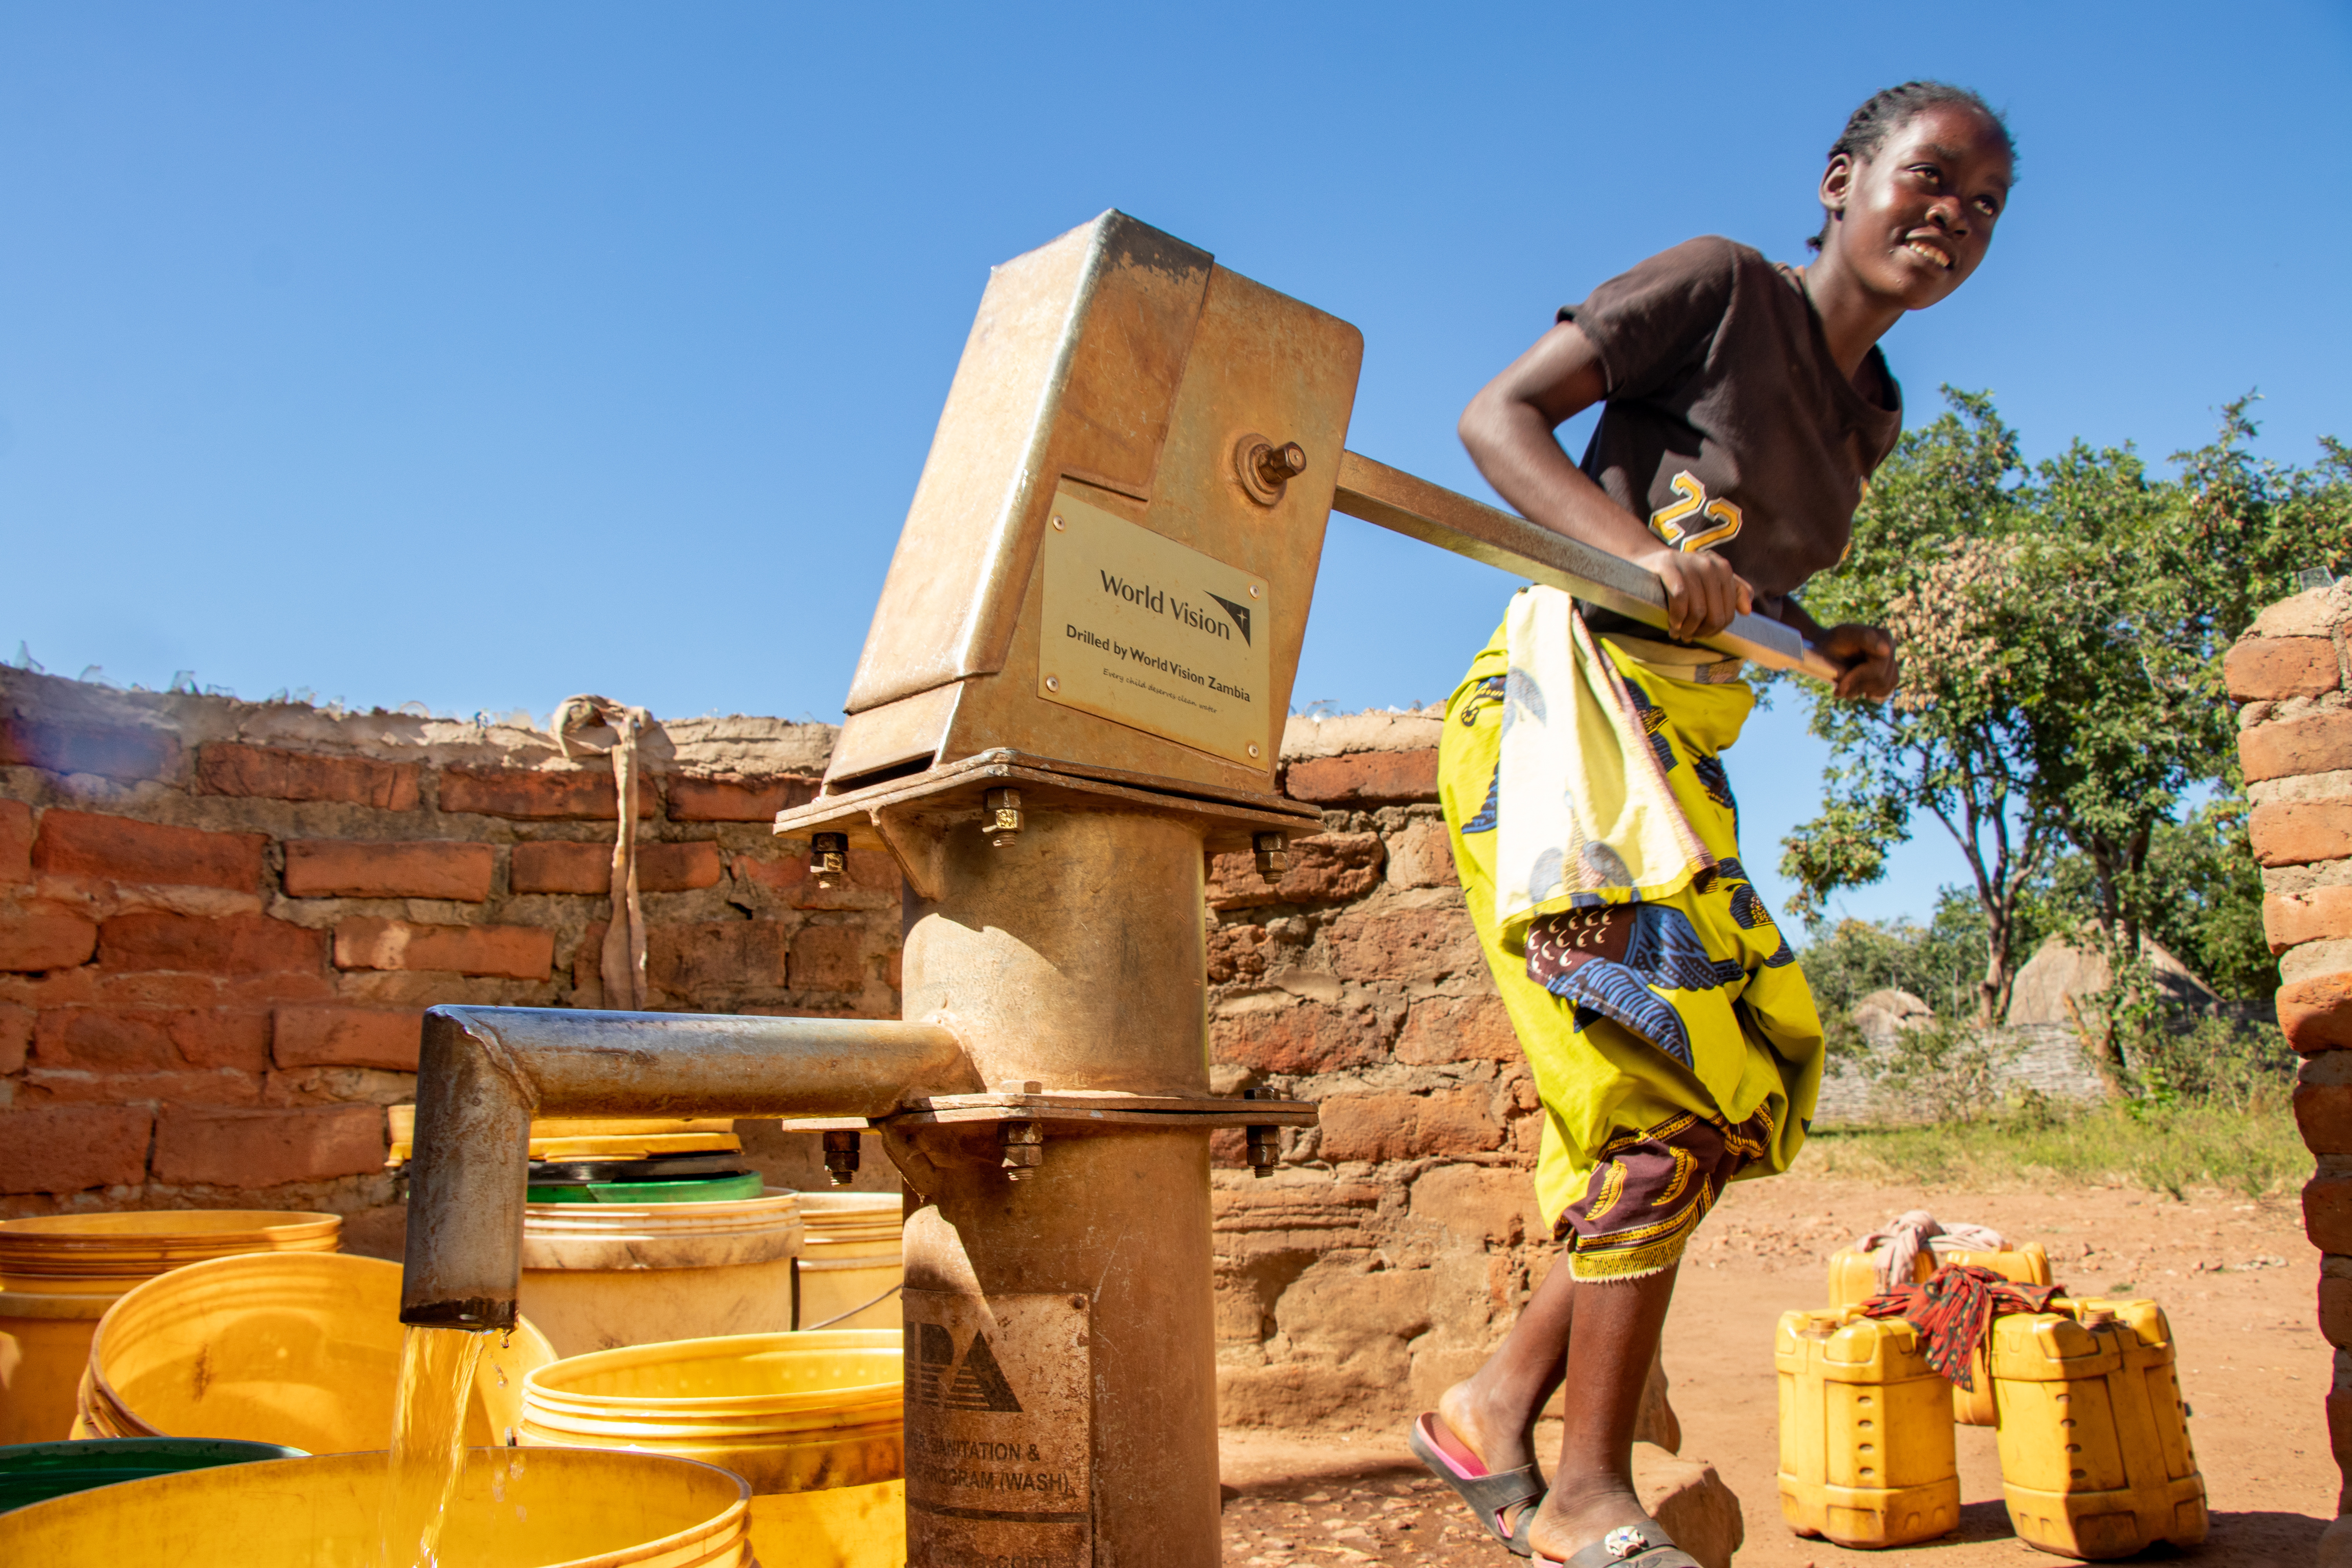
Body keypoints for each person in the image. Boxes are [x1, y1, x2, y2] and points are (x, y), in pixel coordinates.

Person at [1408, 83, 2016, 1568]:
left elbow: (1739, 584)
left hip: (1676, 754)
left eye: (1987, 207)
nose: (1955, 217)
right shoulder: (1719, 285)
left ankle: (1494, 1407)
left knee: (1738, 1098)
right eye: (1932, 179)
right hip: (1559, 728)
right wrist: (1633, 554)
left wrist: (1829, 642)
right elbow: (1498, 418)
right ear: (1841, 179)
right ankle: (1585, 1495)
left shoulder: (1870, 415)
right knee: (1662, 1103)